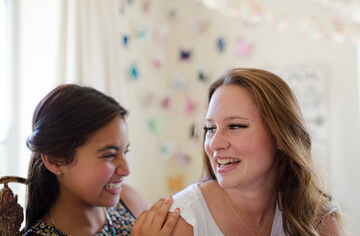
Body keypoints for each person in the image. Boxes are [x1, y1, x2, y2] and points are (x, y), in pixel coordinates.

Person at [169, 68, 344, 236]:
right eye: (210, 128)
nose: (214, 144)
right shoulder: (182, 218)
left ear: (280, 136)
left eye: (235, 126)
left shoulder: (314, 219)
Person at [24, 84, 180, 236]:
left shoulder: (127, 199)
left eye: (125, 152)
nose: (126, 170)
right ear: (55, 160)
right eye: (109, 155)